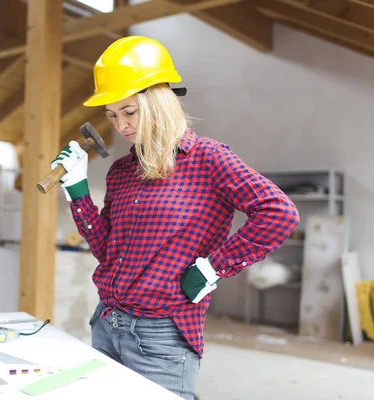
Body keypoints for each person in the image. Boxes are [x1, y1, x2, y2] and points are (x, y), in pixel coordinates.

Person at [50, 36, 300, 400]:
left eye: (129, 111)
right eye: (112, 115)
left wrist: (213, 268)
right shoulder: (121, 171)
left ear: (158, 102)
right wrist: (77, 190)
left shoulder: (208, 160)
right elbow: (107, 251)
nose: (120, 125)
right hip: (105, 323)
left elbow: (279, 213)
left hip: (160, 336)